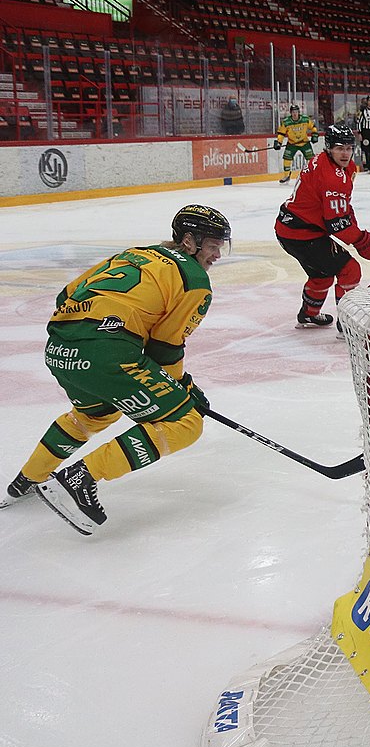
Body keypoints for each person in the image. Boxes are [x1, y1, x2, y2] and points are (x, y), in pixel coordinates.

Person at [2, 205, 231, 534]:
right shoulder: (195, 281)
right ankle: (79, 478)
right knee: (184, 421)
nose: (218, 254)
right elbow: (163, 349)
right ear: (190, 241)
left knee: (94, 416)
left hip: (58, 348)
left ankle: (26, 481)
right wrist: (183, 389)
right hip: (105, 352)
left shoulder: (137, 253)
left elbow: (66, 294)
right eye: (213, 245)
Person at [273, 122, 370, 328]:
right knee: (350, 270)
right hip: (302, 234)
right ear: (329, 148)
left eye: (349, 148)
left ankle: (309, 314)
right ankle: (347, 324)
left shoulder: (333, 165)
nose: (345, 153)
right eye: (339, 148)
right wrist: (363, 242)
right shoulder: (332, 177)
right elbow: (337, 225)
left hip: (289, 228)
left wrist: (357, 233)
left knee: (321, 274)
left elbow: (342, 209)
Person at [273, 103, 318, 184]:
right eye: (293, 112)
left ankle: (314, 175)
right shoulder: (286, 122)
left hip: (304, 143)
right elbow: (281, 133)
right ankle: (287, 175)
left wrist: (315, 135)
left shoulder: (305, 119)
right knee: (287, 158)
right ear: (290, 113)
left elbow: (313, 127)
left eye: (296, 111)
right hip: (292, 143)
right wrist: (279, 142)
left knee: (311, 159)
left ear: (298, 112)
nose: (295, 113)